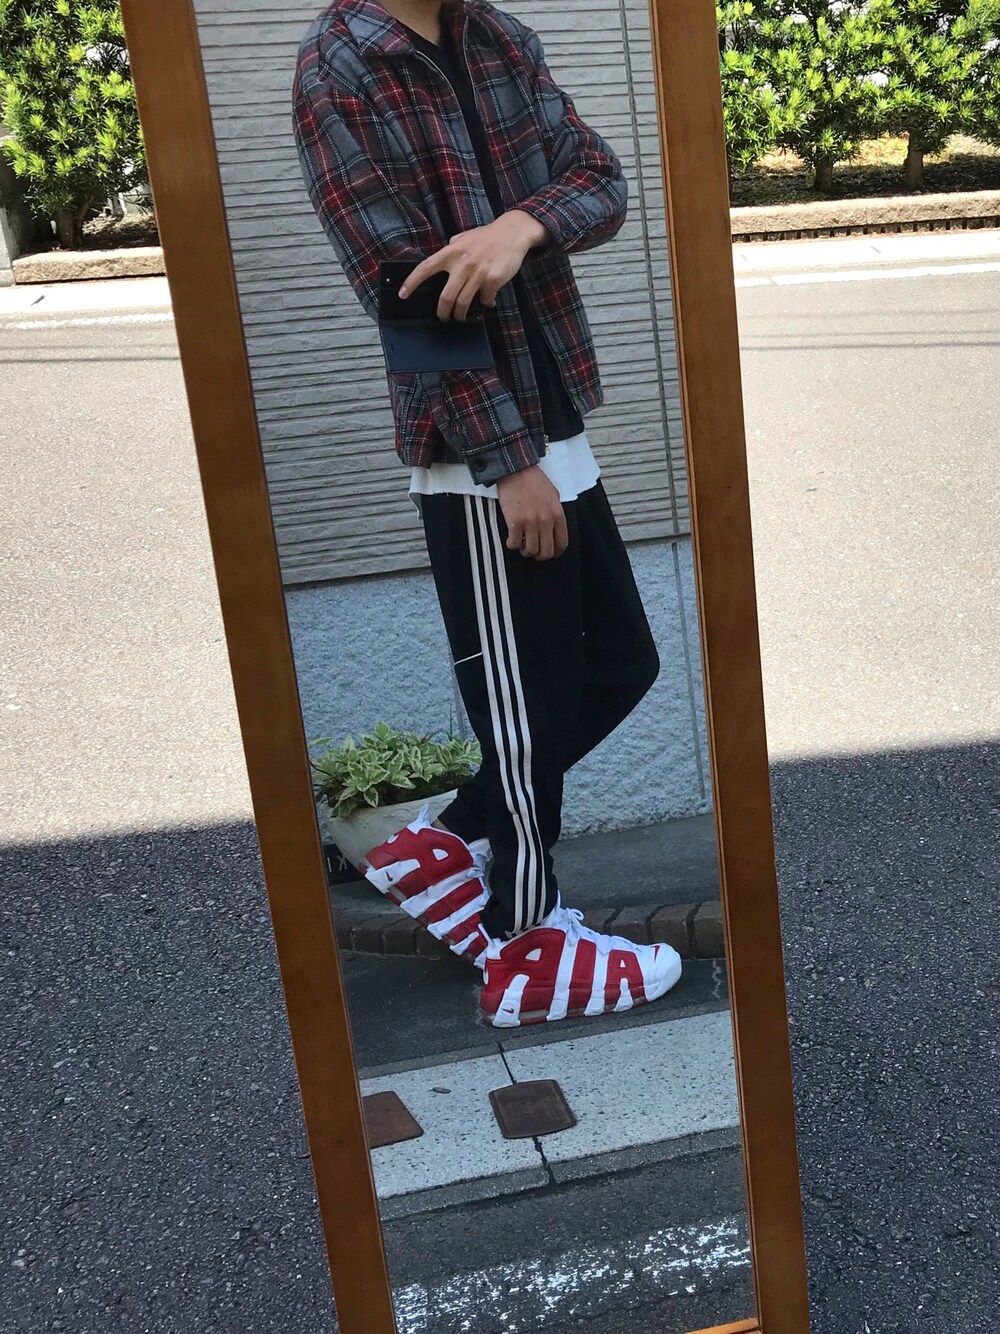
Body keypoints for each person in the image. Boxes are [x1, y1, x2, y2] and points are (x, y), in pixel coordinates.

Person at [293, 0, 682, 1026]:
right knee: (522, 716)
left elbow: (600, 181)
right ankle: (525, 945)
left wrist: (520, 226)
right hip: (478, 448)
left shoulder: (497, 35)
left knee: (621, 663)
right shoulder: (341, 68)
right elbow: (402, 292)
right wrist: (506, 462)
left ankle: (450, 839)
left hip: (555, 413)